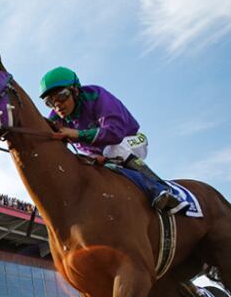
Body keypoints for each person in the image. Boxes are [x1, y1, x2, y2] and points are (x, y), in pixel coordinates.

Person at [39, 66, 181, 212]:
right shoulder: (55, 118)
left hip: (130, 140)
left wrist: (77, 134)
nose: (57, 105)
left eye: (62, 96)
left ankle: (159, 188)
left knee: (112, 149)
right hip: (97, 154)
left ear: (75, 90)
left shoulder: (97, 95)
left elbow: (115, 133)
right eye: (50, 102)